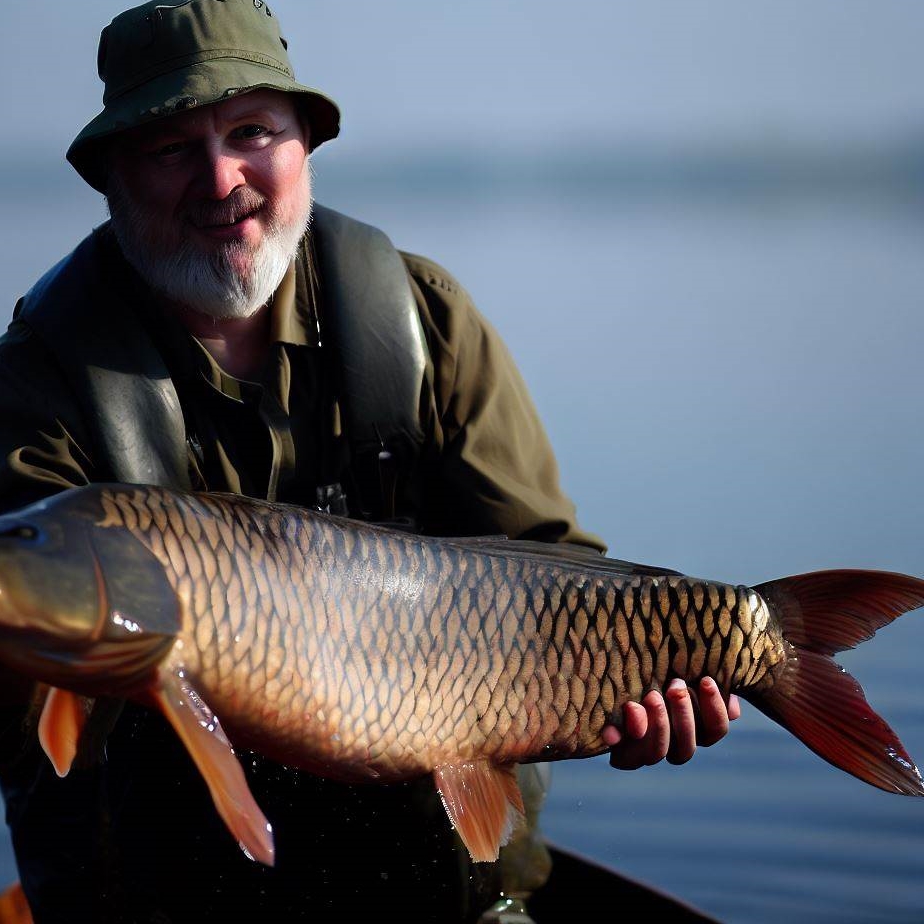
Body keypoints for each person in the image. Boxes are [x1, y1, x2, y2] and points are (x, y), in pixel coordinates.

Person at [0, 1, 739, 921]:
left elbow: (555, 578)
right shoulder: (39, 380)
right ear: (112, 176)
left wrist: (642, 683)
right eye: (168, 149)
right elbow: (29, 652)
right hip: (162, 890)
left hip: (432, 871)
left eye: (252, 131)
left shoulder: (422, 320)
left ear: (306, 143)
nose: (221, 178)